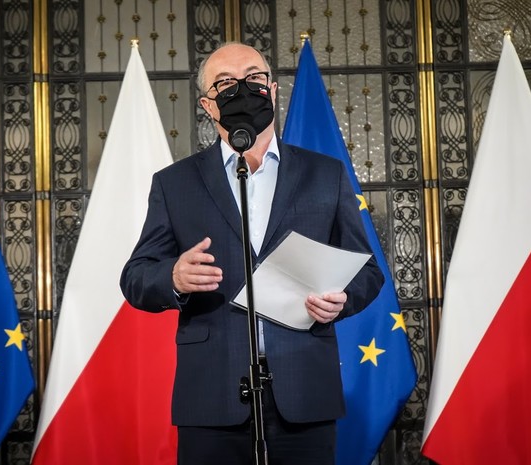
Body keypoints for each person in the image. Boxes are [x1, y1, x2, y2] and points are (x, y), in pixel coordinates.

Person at [119, 42, 384, 465]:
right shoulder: (174, 183)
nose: (243, 89)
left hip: (304, 390)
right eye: (226, 83)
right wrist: (173, 278)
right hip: (212, 396)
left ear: (273, 90)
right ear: (208, 105)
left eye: (254, 78)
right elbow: (136, 277)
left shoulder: (325, 174)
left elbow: (367, 270)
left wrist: (343, 299)